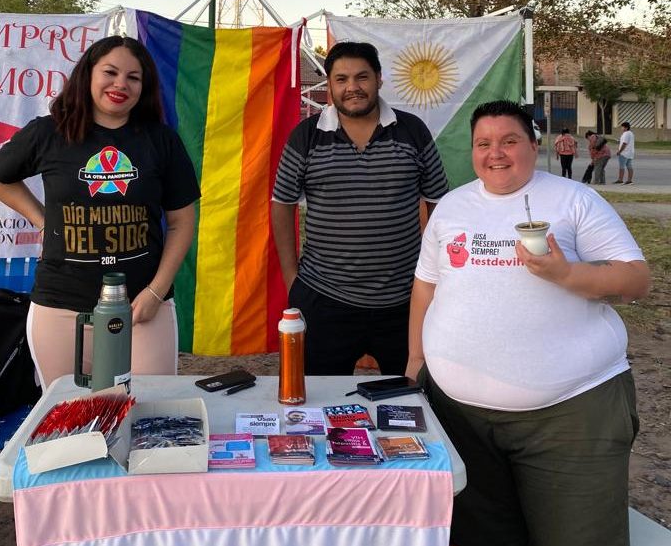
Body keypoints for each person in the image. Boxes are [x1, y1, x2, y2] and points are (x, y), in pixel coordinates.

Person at [406, 100, 651, 546]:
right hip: (460, 414)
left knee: (579, 536)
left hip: (570, 415)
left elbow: (637, 279)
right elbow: (426, 285)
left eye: (509, 140)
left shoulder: (574, 199)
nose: (495, 152)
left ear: (533, 146)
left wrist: (567, 274)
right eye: (484, 143)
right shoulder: (452, 207)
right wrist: (416, 360)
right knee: (480, 533)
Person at [0, 36, 200, 390]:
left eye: (134, 77)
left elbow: (182, 222)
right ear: (88, 75)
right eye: (111, 72)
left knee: (150, 416)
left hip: (143, 305)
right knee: (69, 418)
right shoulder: (49, 132)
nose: (121, 84)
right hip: (61, 306)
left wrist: (155, 292)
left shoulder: (161, 140)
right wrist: (43, 220)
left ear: (144, 87)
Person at [271, 41, 449, 376]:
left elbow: (439, 203)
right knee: (316, 405)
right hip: (323, 297)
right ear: (330, 85)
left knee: (410, 402)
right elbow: (282, 205)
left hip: (404, 301)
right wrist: (291, 277)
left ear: (379, 79)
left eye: (361, 77)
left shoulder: (413, 132)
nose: (352, 87)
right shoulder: (305, 137)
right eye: (341, 79)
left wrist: (434, 274)